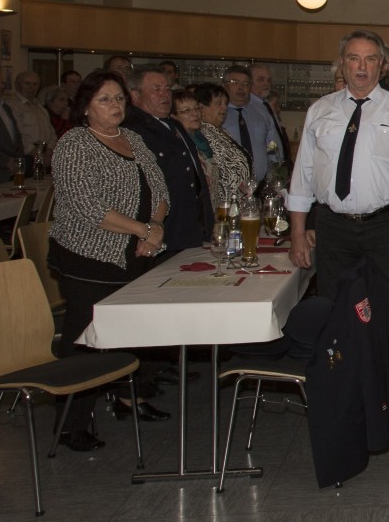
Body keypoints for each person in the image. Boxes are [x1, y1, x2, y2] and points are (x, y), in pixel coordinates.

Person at [287, 30, 389, 450]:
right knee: (338, 319)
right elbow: (302, 177)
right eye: (353, 58)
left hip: (388, 227)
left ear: (382, 66)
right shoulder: (320, 111)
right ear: (342, 64)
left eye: (370, 59)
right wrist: (298, 233)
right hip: (334, 228)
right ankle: (345, 406)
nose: (362, 66)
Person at [49, 70, 171, 450]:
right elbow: (87, 206)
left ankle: (127, 399)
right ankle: (70, 423)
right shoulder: (74, 143)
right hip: (89, 256)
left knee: (129, 334)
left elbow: (161, 190)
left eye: (118, 98)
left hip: (136, 253)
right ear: (85, 107)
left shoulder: (132, 138)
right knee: (84, 340)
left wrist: (154, 229)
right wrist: (143, 230)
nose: (115, 105)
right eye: (104, 99)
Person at [122, 67, 211, 255]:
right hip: (165, 229)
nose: (165, 95)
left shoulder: (174, 124)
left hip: (191, 225)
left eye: (167, 89)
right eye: (156, 89)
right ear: (135, 95)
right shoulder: (132, 130)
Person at [191, 82, 252, 205]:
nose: (224, 108)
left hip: (239, 201)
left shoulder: (221, 131)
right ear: (202, 108)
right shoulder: (203, 134)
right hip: (222, 205)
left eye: (225, 103)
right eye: (219, 103)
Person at [223, 65, 277, 185]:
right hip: (229, 185)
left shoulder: (262, 112)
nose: (241, 88)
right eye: (235, 83)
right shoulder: (219, 114)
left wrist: (274, 166)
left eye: (246, 84)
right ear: (224, 85)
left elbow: (271, 143)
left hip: (261, 183)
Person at [250, 62, 292, 157]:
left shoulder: (265, 105)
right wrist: (273, 160)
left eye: (269, 80)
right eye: (261, 80)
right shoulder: (248, 108)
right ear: (250, 82)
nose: (266, 84)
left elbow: (272, 137)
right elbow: (264, 140)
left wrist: (276, 159)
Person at [6, 70, 52, 153]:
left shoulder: (40, 106)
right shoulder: (12, 105)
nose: (31, 87)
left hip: (45, 153)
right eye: (27, 83)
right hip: (27, 154)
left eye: (35, 84)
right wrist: (34, 152)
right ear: (18, 85)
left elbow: (51, 131)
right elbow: (18, 133)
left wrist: (50, 150)